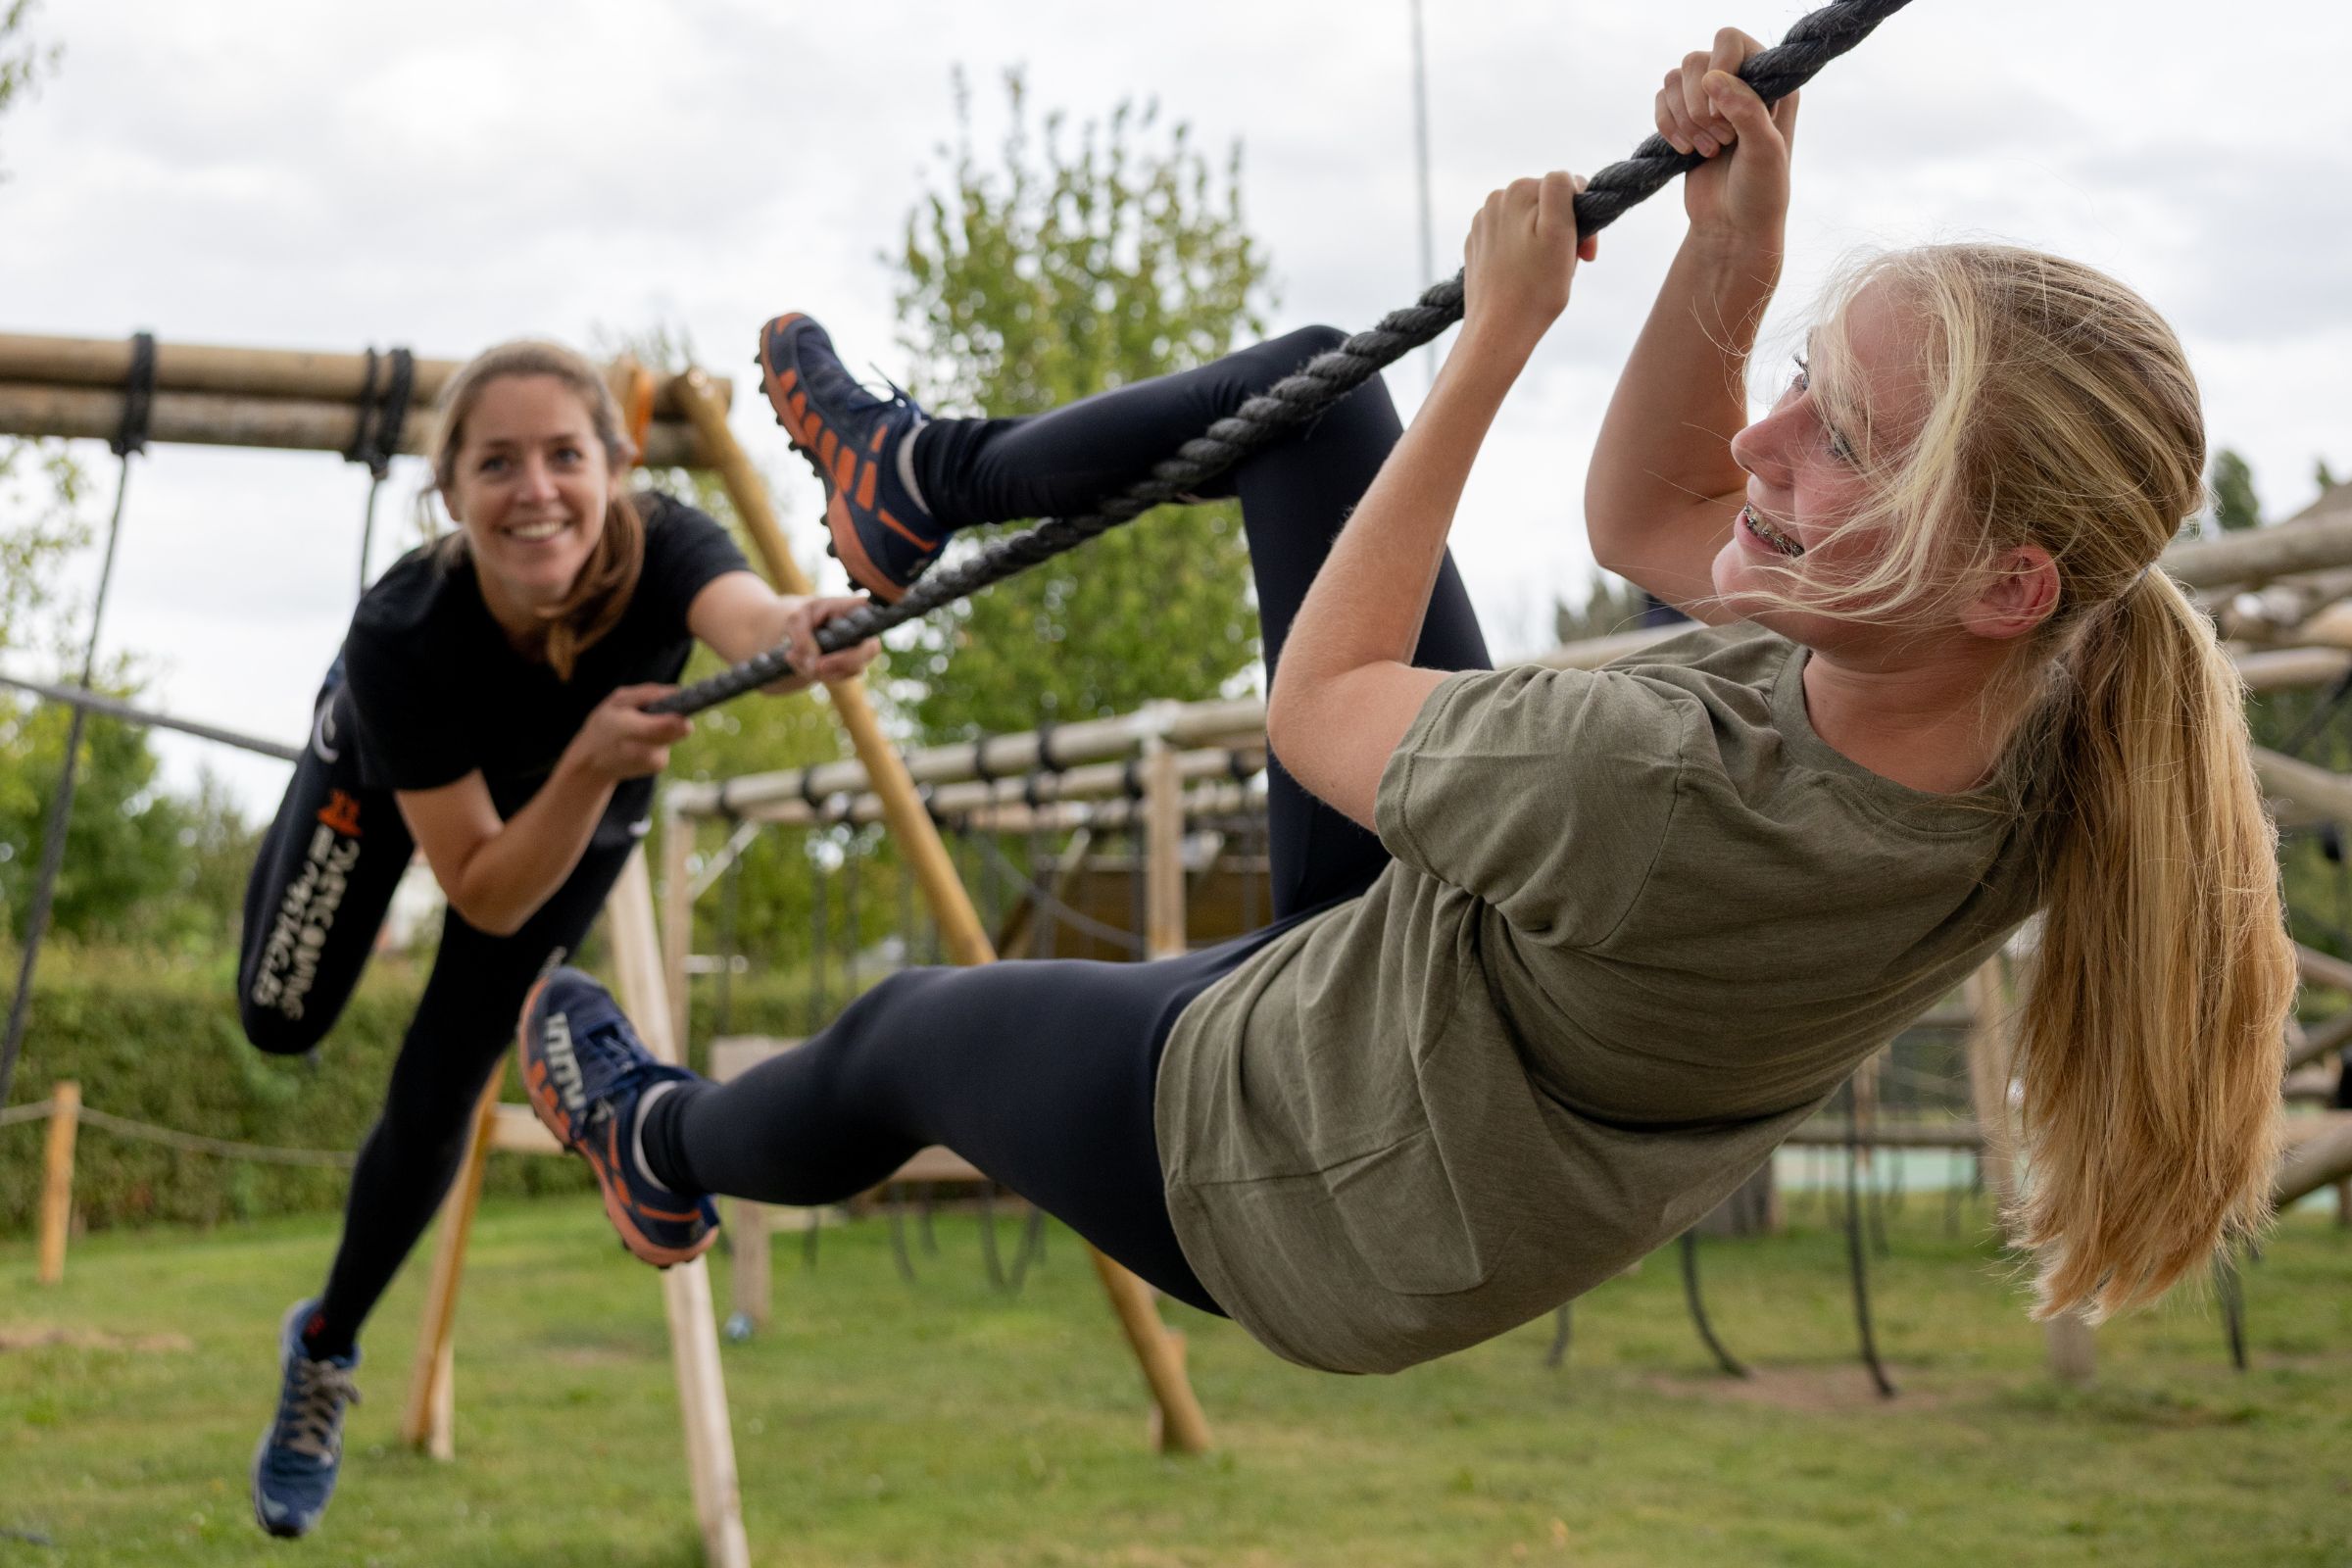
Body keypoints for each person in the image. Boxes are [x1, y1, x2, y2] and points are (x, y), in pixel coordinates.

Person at [521, 28, 2293, 1387]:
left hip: (1314, 1176)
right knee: (1308, 398)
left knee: (907, 1035)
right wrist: (1732, 264)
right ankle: (925, 476)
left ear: (2003, 584)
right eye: (1805, 383)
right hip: (1430, 1025)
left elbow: (1326, 705)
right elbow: (1655, 519)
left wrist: (1496, 343)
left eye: (1841, 439)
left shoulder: (1668, 786)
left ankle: (659, 1148)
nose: (1765, 434)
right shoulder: (2034, 698)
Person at [236, 339, 878, 1538]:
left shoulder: (666, 542)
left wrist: (804, 626)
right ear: (450, 492)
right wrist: (587, 753)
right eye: (497, 463)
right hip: (390, 781)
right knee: (278, 1018)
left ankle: (325, 1345)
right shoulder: (404, 630)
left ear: (616, 464)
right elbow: (474, 878)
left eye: (564, 456)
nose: (536, 489)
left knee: (436, 1095)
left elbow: (753, 621)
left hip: (572, 813)